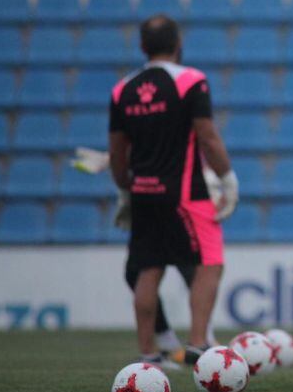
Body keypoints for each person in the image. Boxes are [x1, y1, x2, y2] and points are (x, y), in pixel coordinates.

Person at [108, 14, 238, 366]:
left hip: (143, 192)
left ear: (141, 47)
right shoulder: (190, 81)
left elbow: (118, 152)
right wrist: (227, 179)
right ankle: (198, 344)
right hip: (185, 192)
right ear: (178, 44)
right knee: (209, 263)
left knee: (148, 269)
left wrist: (125, 191)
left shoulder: (123, 89)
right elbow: (207, 137)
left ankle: (148, 353)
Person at [71, 147, 221, 366]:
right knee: (140, 271)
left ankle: (199, 341)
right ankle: (173, 343)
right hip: (156, 195)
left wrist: (114, 161)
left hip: (172, 194)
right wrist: (112, 159)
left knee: (181, 269)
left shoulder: (169, 119)